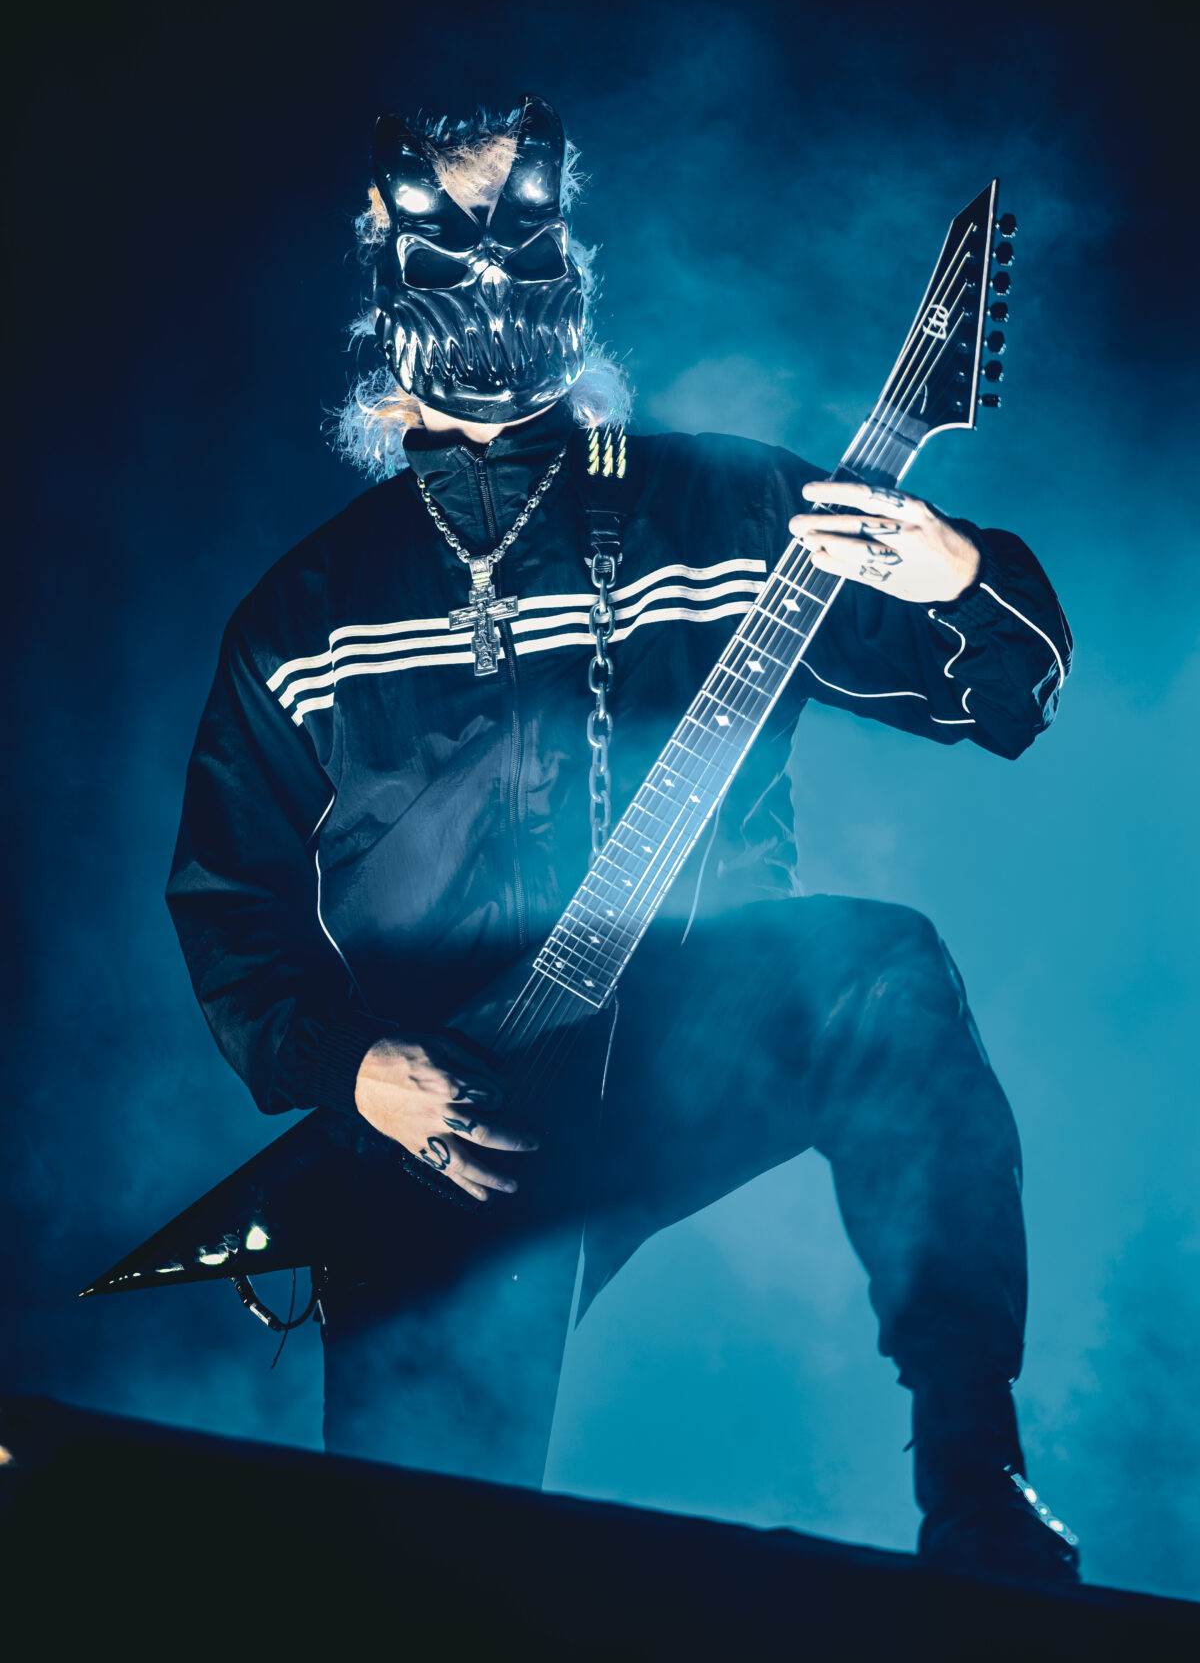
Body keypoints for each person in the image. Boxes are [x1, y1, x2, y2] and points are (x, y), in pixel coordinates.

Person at [167, 96, 1078, 1579]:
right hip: (448, 1124)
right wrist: (352, 1069)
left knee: (884, 971)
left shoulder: (728, 507)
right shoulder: (302, 616)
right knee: (412, 1574)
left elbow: (1000, 700)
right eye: (451, 247)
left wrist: (956, 574)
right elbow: (231, 906)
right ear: (386, 281)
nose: (489, 283)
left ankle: (975, 1483)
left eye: (520, 240)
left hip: (683, 1033)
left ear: (571, 263)